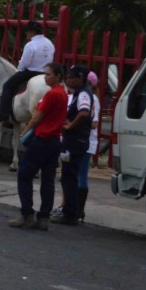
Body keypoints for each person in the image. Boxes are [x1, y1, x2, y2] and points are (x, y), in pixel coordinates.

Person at [9, 62, 68, 229]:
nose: (45, 77)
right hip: (54, 140)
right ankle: (44, 217)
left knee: (24, 174)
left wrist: (25, 131)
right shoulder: (63, 93)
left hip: (42, 138)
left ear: (57, 76)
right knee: (48, 180)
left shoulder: (51, 94)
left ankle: (27, 213)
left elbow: (37, 117)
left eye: (48, 74)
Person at [49, 70, 101, 224]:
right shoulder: (78, 94)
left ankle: (73, 211)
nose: (67, 80)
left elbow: (86, 115)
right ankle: (70, 209)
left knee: (73, 176)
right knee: (69, 176)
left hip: (77, 141)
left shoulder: (84, 94)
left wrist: (71, 125)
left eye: (71, 77)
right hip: (75, 140)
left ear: (81, 79)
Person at [0, 21, 55, 122]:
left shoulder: (30, 45)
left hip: (30, 72)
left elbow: (25, 62)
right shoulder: (49, 43)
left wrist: (19, 70)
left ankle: (3, 114)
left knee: (7, 86)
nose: (26, 33)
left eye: (27, 31)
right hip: (46, 73)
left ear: (32, 32)